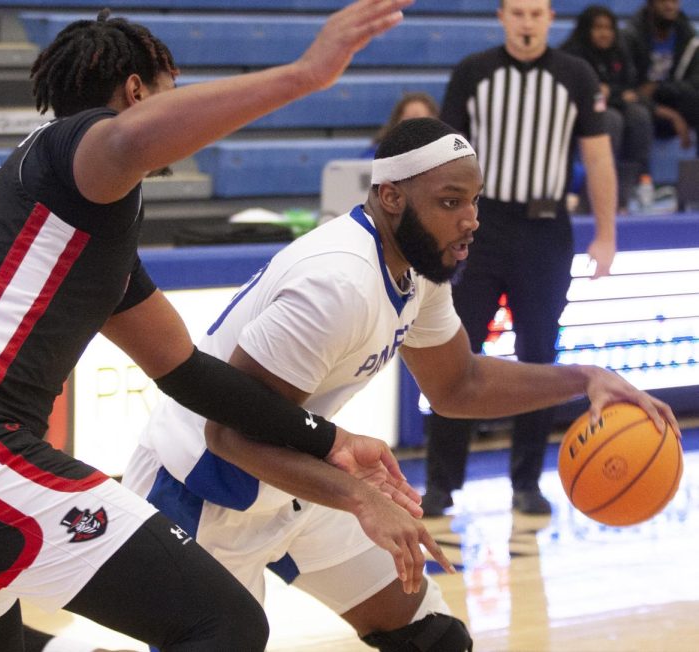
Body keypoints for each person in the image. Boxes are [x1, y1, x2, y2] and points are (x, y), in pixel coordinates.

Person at [0, 3, 439, 651]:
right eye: (173, 89)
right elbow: (129, 138)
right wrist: (305, 74)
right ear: (137, 92)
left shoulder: (80, 228)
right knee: (221, 622)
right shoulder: (77, 146)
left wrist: (329, 439)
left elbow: (190, 375)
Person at [122, 117, 679, 651]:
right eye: (450, 201)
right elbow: (230, 436)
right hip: (200, 485)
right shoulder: (338, 285)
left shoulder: (417, 266)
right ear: (391, 196)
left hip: (295, 477)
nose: (471, 219)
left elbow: (458, 384)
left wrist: (587, 378)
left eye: (474, 201)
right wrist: (363, 499)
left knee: (432, 638)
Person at [425, 0, 619, 517]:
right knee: (454, 352)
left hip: (545, 230)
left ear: (550, 18)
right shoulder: (473, 72)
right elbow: (443, 155)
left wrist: (606, 232)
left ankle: (526, 483)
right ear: (502, 17)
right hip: (479, 227)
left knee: (540, 355)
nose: (527, 22)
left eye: (536, 13)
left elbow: (597, 157)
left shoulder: (575, 75)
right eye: (518, 12)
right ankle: (441, 484)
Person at [561, 5, 653, 210]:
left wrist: (613, 94)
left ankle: (627, 192)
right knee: (611, 119)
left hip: (613, 107)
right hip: (576, 116)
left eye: (609, 28)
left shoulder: (620, 52)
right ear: (587, 29)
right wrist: (615, 95)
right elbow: (590, 96)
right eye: (598, 27)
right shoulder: (572, 55)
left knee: (639, 116)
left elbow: (629, 89)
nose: (605, 33)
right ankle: (590, 197)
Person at [622, 0, 699, 156]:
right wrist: (669, 114)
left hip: (672, 98)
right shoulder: (630, 37)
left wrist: (659, 88)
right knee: (638, 114)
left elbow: (696, 81)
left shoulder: (688, 37)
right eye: (663, 1)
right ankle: (640, 178)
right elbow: (627, 88)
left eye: (674, 1)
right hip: (641, 105)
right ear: (651, 4)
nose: (670, 6)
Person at [362, 91, 440, 156]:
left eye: (420, 119)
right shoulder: (379, 153)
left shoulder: (445, 154)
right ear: (397, 122)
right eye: (408, 119)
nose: (414, 125)